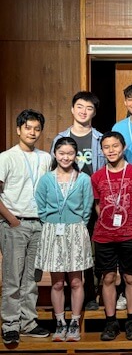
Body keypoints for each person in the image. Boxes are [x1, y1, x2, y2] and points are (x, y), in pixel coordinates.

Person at [0, 110, 52, 345]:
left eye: (37, 128)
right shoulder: (6, 157)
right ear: (18, 129)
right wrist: (12, 220)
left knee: (32, 278)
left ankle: (28, 322)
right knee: (13, 277)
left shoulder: (45, 158)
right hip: (15, 223)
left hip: (39, 223)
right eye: (28, 128)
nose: (32, 132)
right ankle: (10, 323)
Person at [51, 91, 106, 311]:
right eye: (80, 107)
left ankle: (91, 295)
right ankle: (67, 296)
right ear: (72, 109)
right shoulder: (60, 138)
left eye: (89, 108)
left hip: (92, 202)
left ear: (94, 112)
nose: (84, 112)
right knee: (65, 249)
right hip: (67, 204)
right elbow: (53, 171)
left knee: (90, 251)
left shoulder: (100, 139)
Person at [35, 137, 93, 342]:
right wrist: (50, 220)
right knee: (58, 283)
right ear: (55, 154)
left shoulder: (83, 179)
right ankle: (60, 323)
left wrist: (77, 222)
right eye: (61, 153)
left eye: (70, 153)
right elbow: (40, 204)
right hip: (53, 230)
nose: (65, 157)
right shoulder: (46, 179)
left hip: (76, 230)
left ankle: (74, 322)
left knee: (76, 281)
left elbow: (87, 207)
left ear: (75, 155)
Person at [91, 131, 132, 341]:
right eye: (106, 147)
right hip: (104, 236)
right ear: (102, 151)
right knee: (108, 278)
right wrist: (108, 222)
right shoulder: (97, 176)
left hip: (131, 233)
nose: (111, 150)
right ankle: (110, 321)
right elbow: (98, 205)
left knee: (130, 277)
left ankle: (131, 321)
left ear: (123, 148)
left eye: (115, 146)